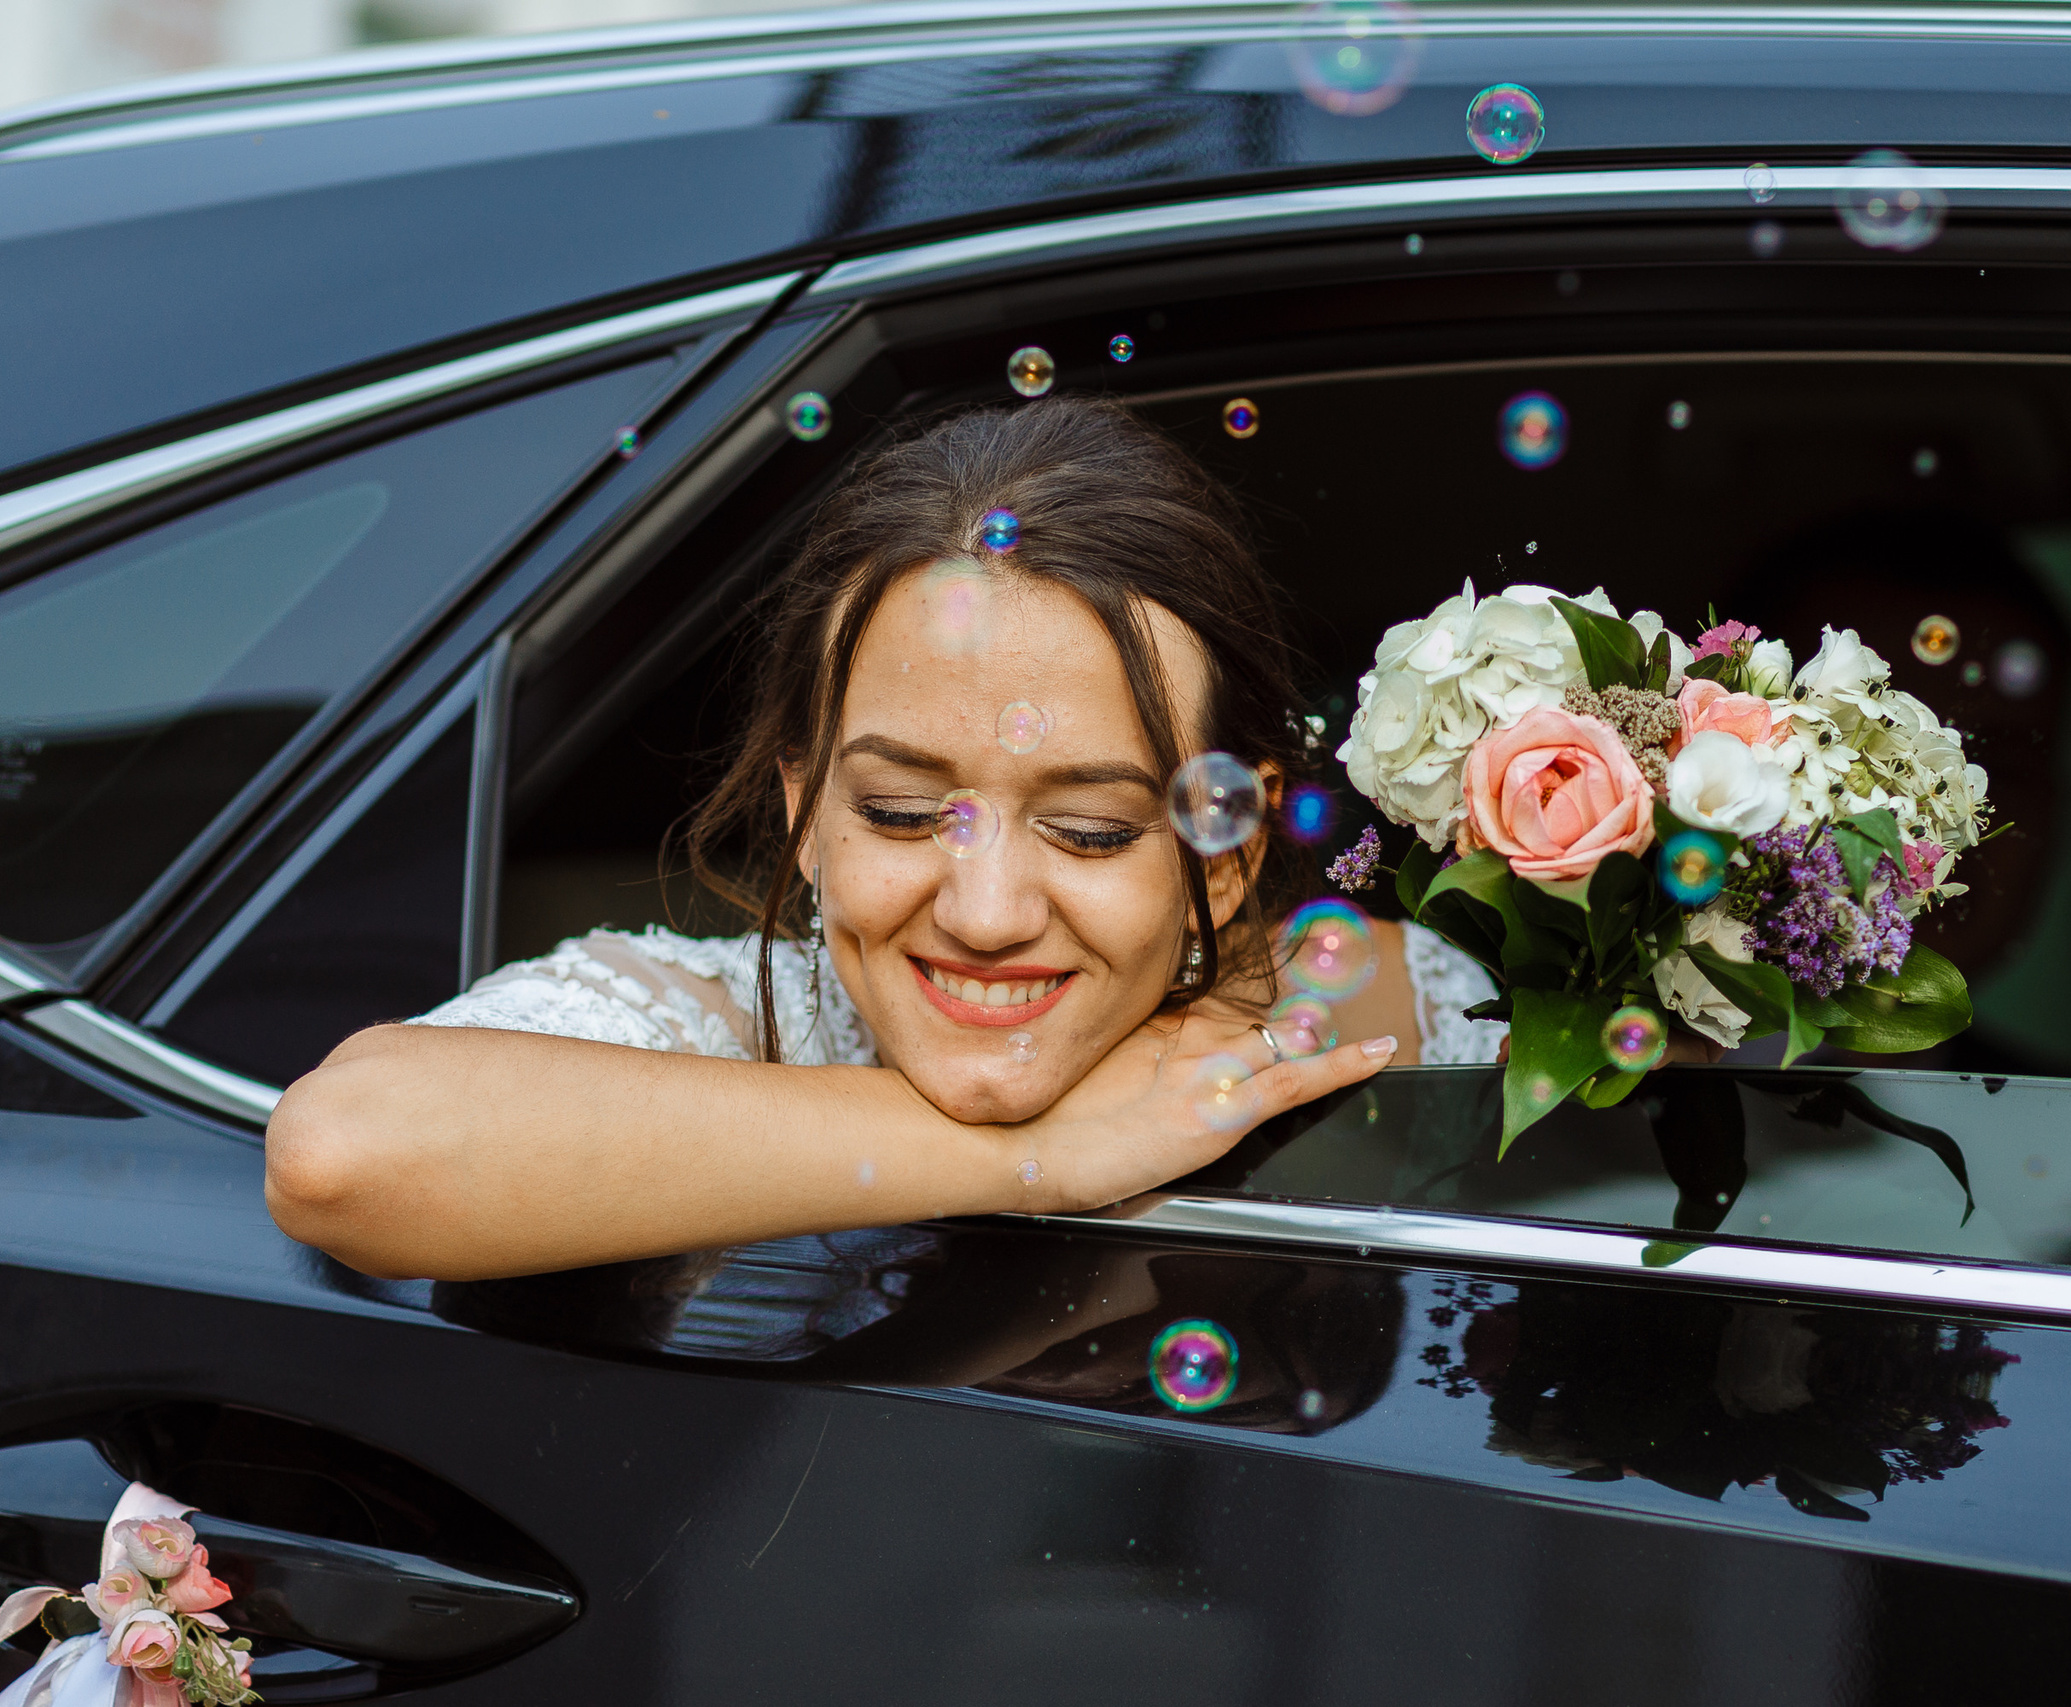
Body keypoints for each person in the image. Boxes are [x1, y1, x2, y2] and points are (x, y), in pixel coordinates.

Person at [265, 398, 1504, 1282]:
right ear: (804, 815)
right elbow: (341, 1153)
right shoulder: (715, 1021)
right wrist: (1035, 1157)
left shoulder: (1338, 1017)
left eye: (1087, 829)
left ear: (1222, 861)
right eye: (902, 813)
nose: (982, 909)